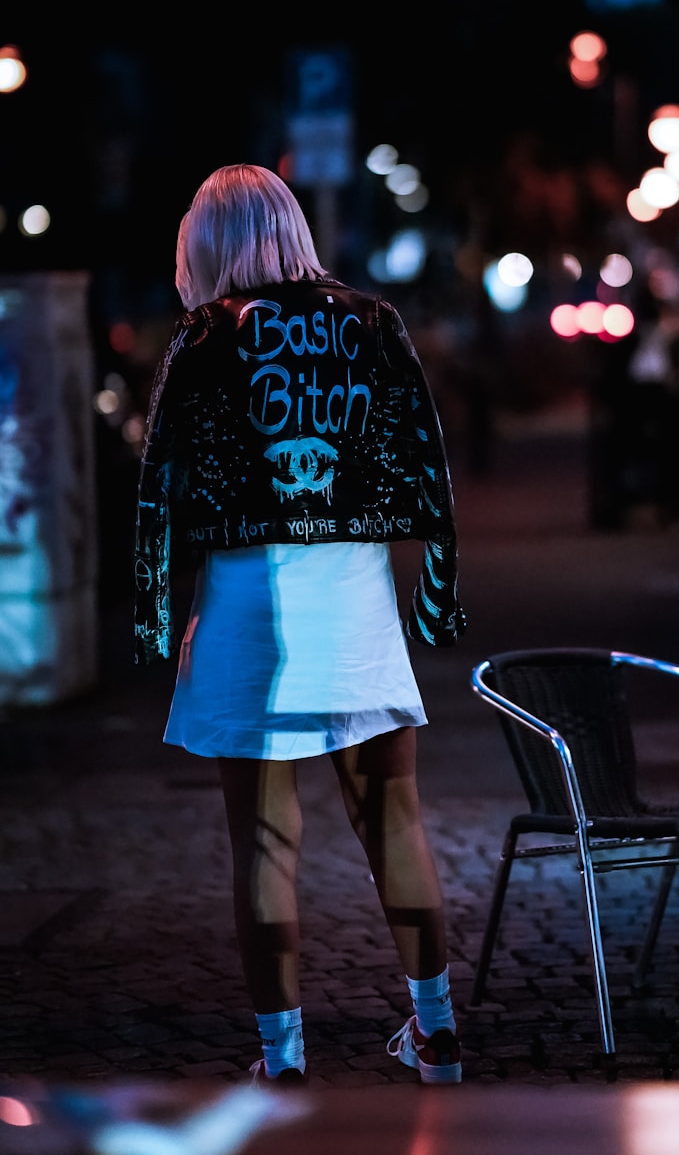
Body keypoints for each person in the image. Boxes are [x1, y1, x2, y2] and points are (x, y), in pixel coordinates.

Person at [134, 164, 466, 1087]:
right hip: (354, 595)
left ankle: (282, 1060)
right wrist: (437, 596)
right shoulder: (371, 322)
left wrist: (155, 621)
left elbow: (159, 486)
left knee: (264, 840)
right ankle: (437, 1033)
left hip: (246, 600)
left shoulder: (205, 337)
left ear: (206, 242)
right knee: (395, 821)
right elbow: (425, 465)